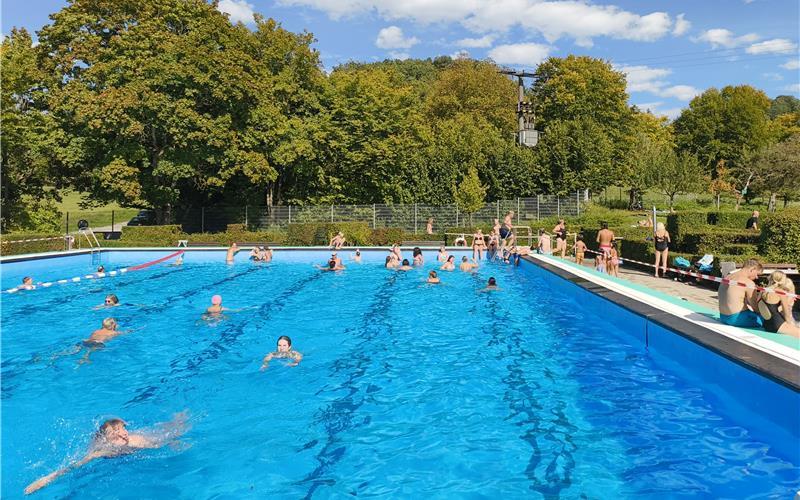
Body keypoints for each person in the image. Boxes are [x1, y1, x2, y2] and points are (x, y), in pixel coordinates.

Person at [24, 413, 190, 495]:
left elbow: (161, 441)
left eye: (123, 429)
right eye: (116, 432)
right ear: (107, 439)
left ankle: (179, 416)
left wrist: (173, 442)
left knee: (175, 427)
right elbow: (73, 466)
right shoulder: (101, 450)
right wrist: (45, 480)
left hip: (153, 436)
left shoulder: (136, 441)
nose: (123, 434)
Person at [719, 259, 764, 327]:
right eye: (757, 274)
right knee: (769, 321)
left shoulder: (728, 277)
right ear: (752, 269)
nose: (757, 277)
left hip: (723, 317)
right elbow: (755, 307)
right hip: (737, 319)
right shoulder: (748, 283)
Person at [757, 271, 800, 337]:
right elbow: (786, 313)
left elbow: (762, 307)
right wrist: (790, 325)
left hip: (766, 324)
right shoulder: (780, 292)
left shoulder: (762, 291)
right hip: (777, 324)